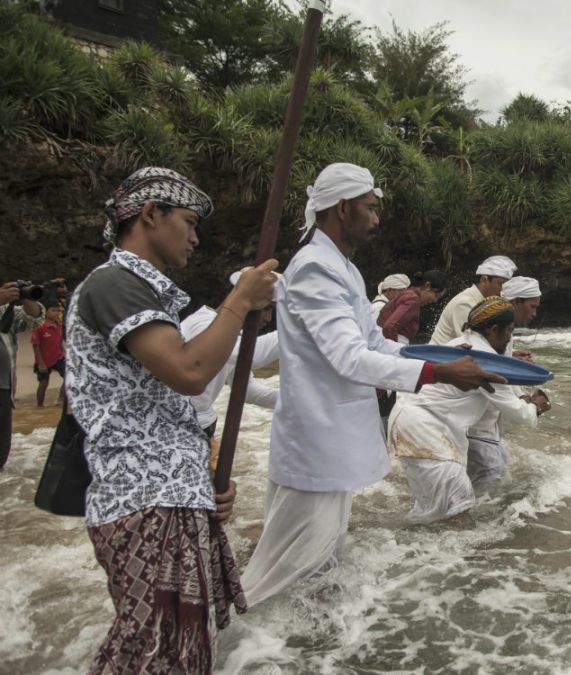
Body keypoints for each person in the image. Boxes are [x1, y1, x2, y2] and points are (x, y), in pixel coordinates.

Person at [240, 163, 504, 606]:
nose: (377, 219)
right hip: (316, 439)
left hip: (330, 441)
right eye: (371, 208)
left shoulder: (338, 266)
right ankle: (215, 637)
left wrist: (442, 358)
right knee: (286, 571)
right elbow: (347, 357)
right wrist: (438, 374)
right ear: (343, 209)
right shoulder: (314, 269)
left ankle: (293, 648)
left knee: (315, 566)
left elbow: (374, 341)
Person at [64, 167, 278, 673]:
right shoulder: (114, 282)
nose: (196, 237)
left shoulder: (142, 292)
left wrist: (198, 484)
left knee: (175, 648)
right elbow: (189, 370)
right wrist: (240, 299)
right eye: (188, 221)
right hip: (145, 498)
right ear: (150, 214)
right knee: (150, 652)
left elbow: (157, 406)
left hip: (166, 491)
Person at [388, 297, 550, 523]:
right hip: (426, 433)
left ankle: (411, 548)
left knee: (436, 512)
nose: (510, 338)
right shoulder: (486, 362)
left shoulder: (457, 344)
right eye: (509, 331)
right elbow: (519, 415)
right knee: (457, 513)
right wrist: (538, 406)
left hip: (409, 424)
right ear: (493, 330)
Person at [180, 269, 281, 443]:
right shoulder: (204, 324)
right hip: (180, 428)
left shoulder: (233, 337)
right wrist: (303, 327)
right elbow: (253, 355)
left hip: (202, 427)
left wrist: (296, 400)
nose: (268, 318)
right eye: (267, 308)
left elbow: (246, 390)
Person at [466, 276, 543, 490]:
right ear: (516, 302)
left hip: (480, 417)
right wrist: (534, 407)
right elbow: (496, 375)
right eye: (532, 306)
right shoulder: (489, 340)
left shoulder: (492, 331)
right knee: (489, 480)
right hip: (474, 421)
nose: (534, 314)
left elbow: (503, 373)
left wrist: (519, 397)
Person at [0, 281, 43, 470]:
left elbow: (34, 319)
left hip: (3, 387)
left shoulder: (4, 311)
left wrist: (27, 297)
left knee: (2, 449)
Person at [428, 255, 516, 345]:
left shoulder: (486, 304)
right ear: (484, 280)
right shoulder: (464, 303)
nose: (503, 290)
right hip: (439, 356)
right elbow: (471, 344)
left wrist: (512, 354)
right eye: (500, 284)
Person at [377, 270, 449, 345]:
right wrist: (396, 350)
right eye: (436, 295)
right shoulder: (412, 300)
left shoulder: (409, 294)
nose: (435, 300)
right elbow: (390, 328)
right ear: (427, 286)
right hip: (391, 346)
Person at [32, 304, 65, 407]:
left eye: (58, 311)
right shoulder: (40, 327)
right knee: (43, 383)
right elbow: (35, 346)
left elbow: (59, 342)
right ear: (46, 312)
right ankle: (40, 406)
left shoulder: (60, 325)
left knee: (70, 377)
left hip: (58, 358)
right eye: (53, 310)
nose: (56, 313)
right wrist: (40, 363)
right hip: (44, 360)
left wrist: (64, 353)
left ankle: (60, 399)